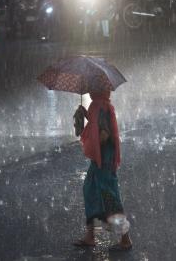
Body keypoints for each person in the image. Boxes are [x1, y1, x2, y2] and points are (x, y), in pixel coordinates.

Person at [74, 91, 132, 251]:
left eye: (93, 86)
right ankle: (90, 236)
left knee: (108, 195)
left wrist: (93, 141)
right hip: (104, 158)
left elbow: (104, 134)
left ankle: (125, 237)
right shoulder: (103, 105)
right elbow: (100, 125)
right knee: (91, 190)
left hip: (103, 158)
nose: (90, 90)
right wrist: (87, 115)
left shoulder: (99, 106)